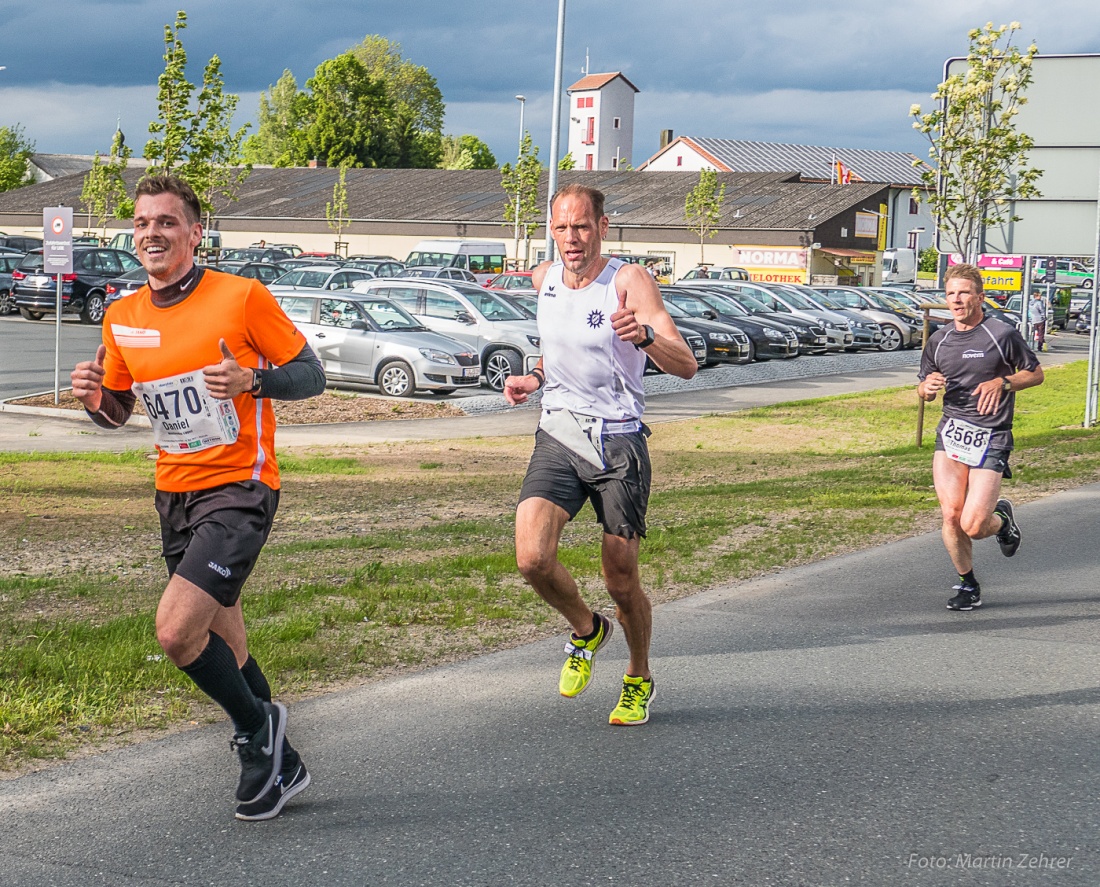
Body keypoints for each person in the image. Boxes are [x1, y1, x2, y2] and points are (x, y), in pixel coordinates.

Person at [70, 175, 326, 821]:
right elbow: (122, 406)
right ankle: (285, 764)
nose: (152, 232)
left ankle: (253, 731)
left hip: (240, 489)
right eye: (142, 222)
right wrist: (96, 398)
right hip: (173, 494)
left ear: (194, 231)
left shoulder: (241, 297)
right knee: (227, 642)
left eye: (166, 221)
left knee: (176, 631)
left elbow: (311, 374)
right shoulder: (122, 315)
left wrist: (253, 378)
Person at [503, 184, 697, 725]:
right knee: (531, 558)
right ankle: (588, 630)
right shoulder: (543, 280)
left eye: (582, 226)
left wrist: (643, 338)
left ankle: (638, 676)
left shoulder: (628, 280)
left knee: (620, 577)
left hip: (618, 439)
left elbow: (685, 364)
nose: (571, 238)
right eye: (562, 227)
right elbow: (554, 346)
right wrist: (534, 377)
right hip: (559, 432)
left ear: (603, 227)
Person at [917, 263, 1044, 611]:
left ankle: (1001, 521)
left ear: (979, 296)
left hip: (992, 437)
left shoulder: (1000, 334)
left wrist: (1003, 382)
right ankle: (968, 584)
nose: (956, 300)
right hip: (952, 433)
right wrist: (925, 389)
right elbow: (925, 386)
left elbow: (1035, 373)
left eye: (963, 293)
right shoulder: (938, 341)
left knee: (973, 525)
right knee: (950, 515)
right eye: (950, 294)